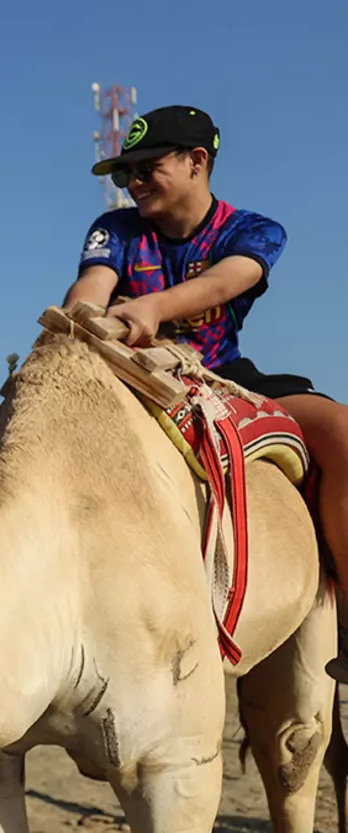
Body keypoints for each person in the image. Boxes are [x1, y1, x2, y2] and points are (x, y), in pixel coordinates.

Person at [63, 104, 348, 679]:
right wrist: (83, 317)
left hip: (222, 372)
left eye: (146, 168)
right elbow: (90, 289)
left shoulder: (253, 230)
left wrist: (152, 307)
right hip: (133, 375)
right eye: (125, 175)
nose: (134, 184)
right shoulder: (116, 230)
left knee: (340, 430)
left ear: (197, 161)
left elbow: (228, 280)